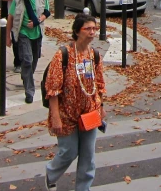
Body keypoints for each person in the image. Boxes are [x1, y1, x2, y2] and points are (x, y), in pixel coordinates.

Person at [43, 14, 106, 190]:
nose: (92, 32)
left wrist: (101, 106)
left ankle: (83, 188)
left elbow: (99, 84)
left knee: (88, 156)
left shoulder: (94, 55)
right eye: (88, 28)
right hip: (67, 113)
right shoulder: (63, 55)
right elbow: (53, 89)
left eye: (94, 28)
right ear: (77, 31)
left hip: (89, 113)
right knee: (68, 152)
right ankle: (51, 174)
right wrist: (55, 117)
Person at [6, 0, 50, 103]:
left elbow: (46, 12)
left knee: (34, 60)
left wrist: (38, 21)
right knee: (27, 60)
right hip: (23, 32)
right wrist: (7, 36)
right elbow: (11, 17)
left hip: (37, 33)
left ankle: (26, 76)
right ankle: (29, 91)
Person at [1, 0, 28, 73]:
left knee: (24, 36)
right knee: (15, 37)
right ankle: (17, 61)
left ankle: (24, 59)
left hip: (25, 12)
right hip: (13, 11)